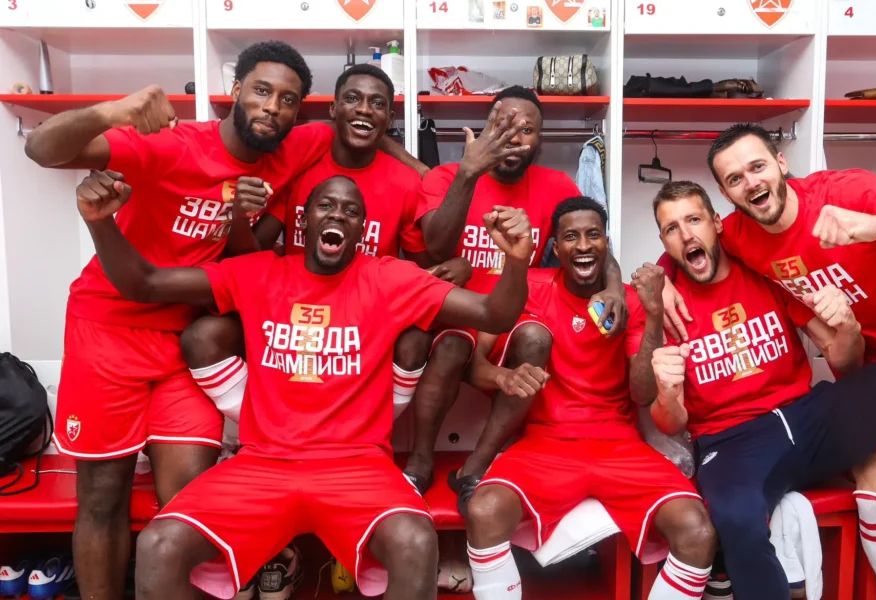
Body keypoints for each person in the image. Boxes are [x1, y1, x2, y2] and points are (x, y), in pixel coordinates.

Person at [74, 170, 537, 600]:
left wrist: (516, 260)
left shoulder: (389, 278)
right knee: (160, 544)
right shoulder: (259, 271)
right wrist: (101, 224)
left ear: (362, 230)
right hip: (264, 462)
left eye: (351, 211)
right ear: (304, 219)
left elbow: (494, 314)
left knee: (416, 540)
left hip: (356, 465)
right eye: (326, 206)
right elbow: (144, 282)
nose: (338, 215)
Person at [23, 41, 334, 600]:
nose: (273, 107)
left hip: (182, 345)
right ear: (235, 91)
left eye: (289, 100)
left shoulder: (292, 149)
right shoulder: (172, 146)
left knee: (190, 493)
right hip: (107, 328)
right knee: (102, 494)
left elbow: (363, 130)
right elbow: (42, 149)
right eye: (262, 91)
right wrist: (114, 111)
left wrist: (448, 171)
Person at [672, 121, 876, 596]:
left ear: (781, 164)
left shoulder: (843, 193)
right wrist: (659, 278)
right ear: (726, 194)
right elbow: (686, 249)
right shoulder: (740, 235)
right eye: (735, 179)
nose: (751, 183)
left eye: (757, 166)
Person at [178, 63, 469, 455]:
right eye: (352, 100)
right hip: (285, 317)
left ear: (389, 117)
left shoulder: (404, 181)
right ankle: (263, 429)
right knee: (203, 334)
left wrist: (456, 267)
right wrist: (239, 221)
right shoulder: (304, 165)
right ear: (333, 110)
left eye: (377, 104)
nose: (364, 110)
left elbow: (420, 263)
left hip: (359, 324)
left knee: (417, 336)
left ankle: (365, 432)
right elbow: (254, 256)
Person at [463, 196, 718, 600]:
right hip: (547, 442)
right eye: (571, 237)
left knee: (698, 531)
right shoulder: (532, 288)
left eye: (593, 235)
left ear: (606, 242)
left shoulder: (631, 300)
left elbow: (642, 392)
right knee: (483, 511)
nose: (583, 245)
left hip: (619, 444)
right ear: (555, 247)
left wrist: (652, 315)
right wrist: (505, 376)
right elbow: (474, 364)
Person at [405, 85, 628, 511]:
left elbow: (597, 246)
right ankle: (420, 462)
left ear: (540, 140)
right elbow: (435, 246)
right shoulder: (445, 177)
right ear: (488, 126)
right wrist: (469, 173)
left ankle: (475, 467)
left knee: (537, 340)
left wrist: (613, 286)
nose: (514, 137)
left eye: (527, 130)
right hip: (459, 315)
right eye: (504, 125)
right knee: (453, 346)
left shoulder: (555, 184)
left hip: (514, 311)